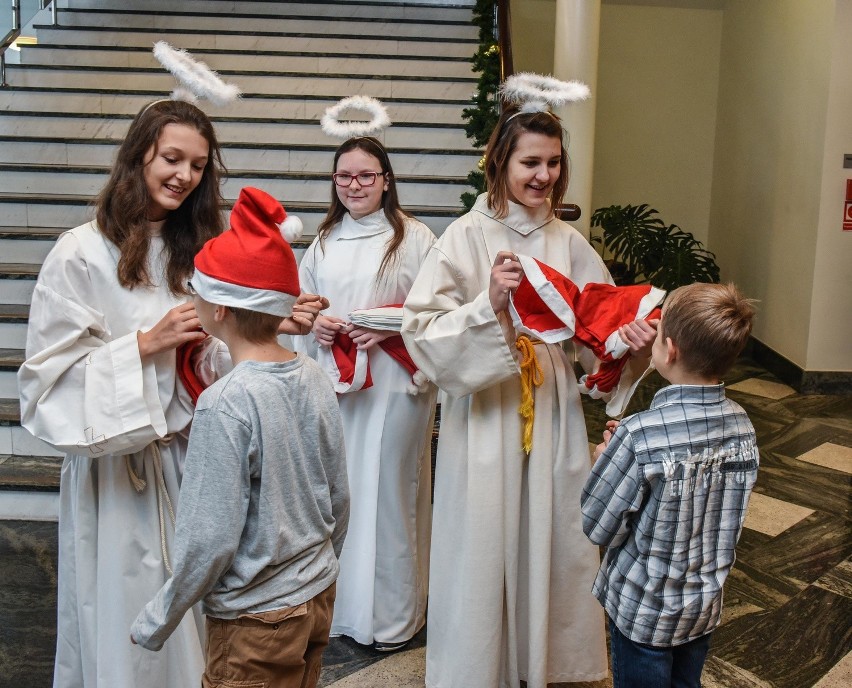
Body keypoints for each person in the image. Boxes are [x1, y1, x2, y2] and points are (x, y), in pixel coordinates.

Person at [16, 99, 323, 688]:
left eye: (199, 165)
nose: (184, 175)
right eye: (172, 158)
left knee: (200, 612)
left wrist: (266, 325)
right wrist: (141, 345)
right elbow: (43, 384)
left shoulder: (202, 250)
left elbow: (212, 351)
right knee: (129, 615)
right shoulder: (79, 252)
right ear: (139, 157)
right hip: (119, 471)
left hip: (195, 458)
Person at [401, 99, 656, 686]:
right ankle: (477, 665)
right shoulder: (464, 235)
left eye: (554, 163)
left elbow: (599, 331)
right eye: (530, 162)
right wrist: (489, 305)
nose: (544, 176)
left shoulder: (568, 240)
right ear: (500, 163)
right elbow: (420, 331)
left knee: (555, 530)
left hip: (554, 404)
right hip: (488, 406)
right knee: (482, 534)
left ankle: (545, 661)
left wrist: (629, 338)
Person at [131, 186, 350, 688]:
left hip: (255, 619)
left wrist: (159, 617)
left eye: (198, 292)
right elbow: (339, 495)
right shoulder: (314, 377)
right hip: (316, 597)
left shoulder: (225, 403)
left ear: (221, 311)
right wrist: (322, 567)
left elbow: (208, 537)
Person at [294, 136, 437, 651]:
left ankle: (395, 616)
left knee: (390, 492)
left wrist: (391, 326)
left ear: (386, 179)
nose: (354, 185)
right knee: (343, 494)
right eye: (344, 176)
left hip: (397, 383)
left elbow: (439, 310)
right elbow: (300, 307)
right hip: (340, 382)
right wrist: (320, 326)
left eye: (365, 176)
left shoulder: (414, 237)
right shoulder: (325, 239)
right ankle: (346, 612)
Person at [581, 282, 758, 688]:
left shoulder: (640, 435)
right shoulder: (743, 425)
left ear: (670, 349)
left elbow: (599, 525)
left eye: (658, 333)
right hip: (703, 603)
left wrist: (605, 461)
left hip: (644, 610)